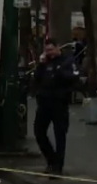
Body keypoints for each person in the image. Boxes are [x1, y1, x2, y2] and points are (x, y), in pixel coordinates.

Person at [32, 38, 78, 176]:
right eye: (47, 51)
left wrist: (58, 71)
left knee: (60, 135)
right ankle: (51, 159)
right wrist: (40, 65)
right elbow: (37, 79)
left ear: (58, 48)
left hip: (59, 103)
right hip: (44, 102)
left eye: (51, 50)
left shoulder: (67, 61)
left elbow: (72, 77)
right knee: (39, 131)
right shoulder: (45, 63)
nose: (49, 53)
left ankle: (58, 166)